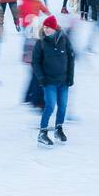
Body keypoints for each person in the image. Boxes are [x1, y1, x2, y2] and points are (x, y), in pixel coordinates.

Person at [33, 14, 75, 145]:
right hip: (49, 81)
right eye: (45, 27)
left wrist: (70, 77)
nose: (46, 29)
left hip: (63, 81)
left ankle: (58, 129)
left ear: (55, 28)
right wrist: (41, 78)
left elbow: (71, 58)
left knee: (62, 106)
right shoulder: (40, 42)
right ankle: (42, 132)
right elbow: (35, 62)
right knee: (50, 106)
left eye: (49, 27)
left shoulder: (64, 39)